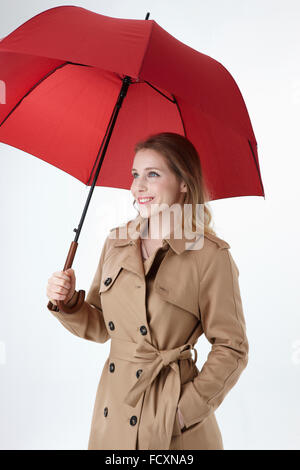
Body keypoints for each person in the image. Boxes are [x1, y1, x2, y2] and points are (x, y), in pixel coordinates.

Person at [46, 132, 249, 450]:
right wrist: (70, 302)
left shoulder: (210, 255)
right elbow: (102, 327)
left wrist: (181, 413)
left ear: (183, 182)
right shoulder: (116, 241)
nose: (137, 186)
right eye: (135, 174)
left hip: (173, 426)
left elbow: (232, 348)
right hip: (112, 416)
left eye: (152, 175)